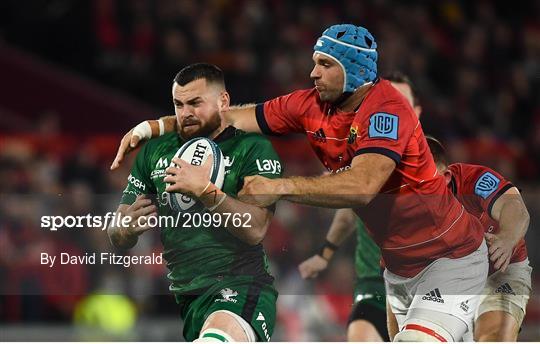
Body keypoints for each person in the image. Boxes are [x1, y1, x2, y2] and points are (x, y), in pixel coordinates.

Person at [110, 24, 489, 341]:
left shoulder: (387, 110)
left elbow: (362, 186)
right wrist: (154, 126)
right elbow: (226, 117)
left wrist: (281, 186)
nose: (313, 73)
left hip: (447, 254)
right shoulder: (309, 105)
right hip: (401, 266)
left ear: (355, 70)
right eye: (314, 63)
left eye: (325, 64)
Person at [108, 63, 283, 342]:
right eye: (178, 104)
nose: (185, 113)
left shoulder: (252, 149)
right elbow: (117, 231)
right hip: (188, 297)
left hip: (241, 287)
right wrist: (125, 229)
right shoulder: (155, 151)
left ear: (223, 101)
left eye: (195, 103)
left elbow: (255, 229)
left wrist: (204, 190)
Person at [297, 72, 421, 342]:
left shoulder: (433, 163)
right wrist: (326, 252)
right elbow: (351, 206)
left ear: (417, 112)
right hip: (373, 282)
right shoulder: (363, 156)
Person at [426, 137, 531, 342]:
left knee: (493, 337)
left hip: (500, 269)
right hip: (446, 279)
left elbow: (515, 207)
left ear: (445, 176)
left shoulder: (473, 179)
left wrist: (507, 239)